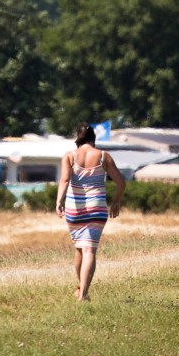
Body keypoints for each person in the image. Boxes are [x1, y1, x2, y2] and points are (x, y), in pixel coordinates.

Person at [56, 123, 125, 302]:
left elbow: (64, 179)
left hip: (74, 209)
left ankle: (81, 289)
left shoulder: (69, 156)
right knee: (88, 250)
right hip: (97, 208)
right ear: (93, 138)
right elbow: (121, 182)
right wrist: (116, 201)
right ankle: (83, 293)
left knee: (80, 248)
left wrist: (59, 201)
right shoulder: (103, 156)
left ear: (77, 138)